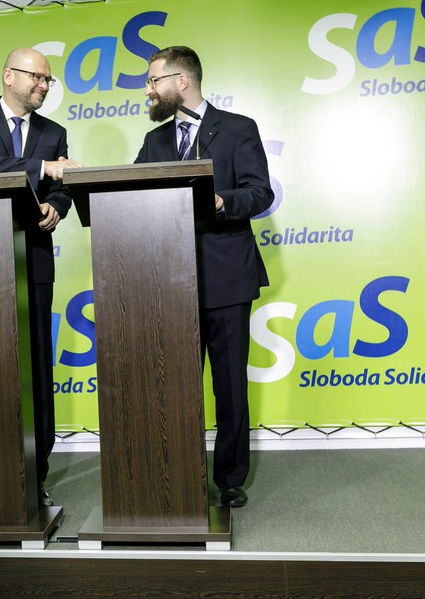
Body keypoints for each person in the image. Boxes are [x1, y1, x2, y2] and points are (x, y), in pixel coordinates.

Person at [133, 46, 274, 508]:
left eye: (154, 80)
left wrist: (219, 201)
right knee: (174, 388)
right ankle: (178, 476)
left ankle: (230, 478)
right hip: (169, 283)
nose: (148, 90)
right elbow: (130, 194)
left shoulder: (237, 128)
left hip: (227, 277)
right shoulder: (154, 142)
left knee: (229, 385)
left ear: (182, 81)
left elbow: (259, 193)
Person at [0, 47, 82, 507]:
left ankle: (36, 472)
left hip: (36, 262)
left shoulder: (54, 131)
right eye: (37, 77)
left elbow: (65, 187)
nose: (43, 85)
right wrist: (43, 168)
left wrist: (57, 205)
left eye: (48, 80)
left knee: (36, 368)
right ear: (9, 76)